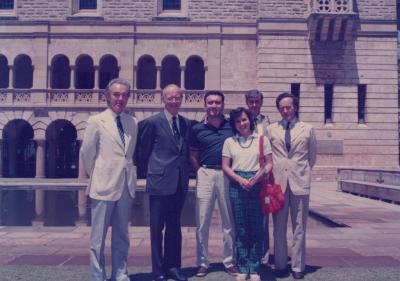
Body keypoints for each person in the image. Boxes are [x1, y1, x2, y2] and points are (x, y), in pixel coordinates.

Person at [80, 78, 138, 281]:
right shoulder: (96, 121)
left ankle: (120, 273)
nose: (120, 99)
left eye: (124, 95)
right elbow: (87, 153)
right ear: (107, 96)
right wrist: (99, 174)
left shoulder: (132, 122)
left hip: (125, 185)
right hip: (103, 185)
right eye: (116, 94)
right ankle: (98, 276)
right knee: (98, 238)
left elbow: (128, 154)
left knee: (122, 235)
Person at [136, 84, 190, 281]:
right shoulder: (152, 123)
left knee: (174, 227)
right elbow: (143, 152)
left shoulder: (185, 123)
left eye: (177, 98)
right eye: (170, 98)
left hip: (179, 182)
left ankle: (174, 267)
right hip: (159, 182)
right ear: (163, 99)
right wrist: (150, 173)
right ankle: (158, 271)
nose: (174, 101)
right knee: (156, 228)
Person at [266, 92, 317, 279]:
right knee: (278, 226)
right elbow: (268, 154)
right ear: (278, 109)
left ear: (295, 107)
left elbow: (312, 157)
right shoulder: (272, 129)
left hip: (300, 182)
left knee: (299, 227)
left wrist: (300, 171)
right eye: (282, 108)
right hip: (278, 183)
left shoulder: (308, 129)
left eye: (288, 107)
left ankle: (297, 267)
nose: (285, 111)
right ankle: (280, 264)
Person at [189, 90, 239, 278]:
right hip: (206, 173)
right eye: (210, 102)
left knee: (229, 221)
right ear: (205, 105)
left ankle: (229, 261)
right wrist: (199, 171)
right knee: (202, 221)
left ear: (223, 105)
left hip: (227, 174)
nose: (214, 106)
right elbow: (193, 155)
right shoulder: (197, 129)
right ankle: (202, 262)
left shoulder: (231, 127)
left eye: (217, 102)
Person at [222, 107, 273, 281]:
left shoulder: (261, 139)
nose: (242, 124)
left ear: (250, 120)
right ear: (233, 124)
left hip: (257, 183)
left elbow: (268, 164)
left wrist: (257, 177)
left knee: (257, 227)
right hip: (237, 185)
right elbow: (226, 166)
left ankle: (255, 268)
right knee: (241, 227)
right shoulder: (230, 142)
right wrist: (240, 180)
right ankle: (243, 267)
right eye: (237, 121)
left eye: (244, 120)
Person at [244, 89, 271, 265]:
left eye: (257, 101)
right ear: (247, 103)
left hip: (262, 176)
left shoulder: (267, 122)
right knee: (243, 217)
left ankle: (263, 256)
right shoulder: (240, 120)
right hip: (244, 174)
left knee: (263, 217)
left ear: (261, 102)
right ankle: (244, 255)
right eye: (251, 102)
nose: (254, 105)